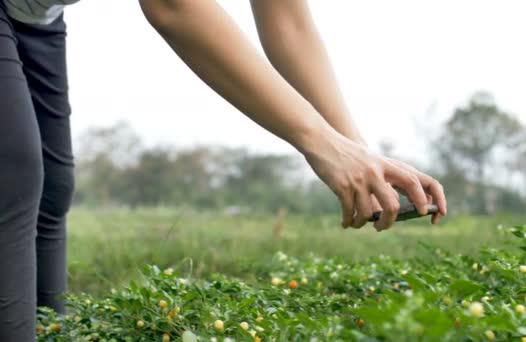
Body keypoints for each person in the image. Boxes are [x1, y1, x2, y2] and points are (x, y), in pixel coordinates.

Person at [0, 0, 447, 339]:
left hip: (35, 17)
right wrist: (321, 144)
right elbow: (173, 6)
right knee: (14, 173)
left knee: (52, 193)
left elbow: (287, 20)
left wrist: (355, 152)